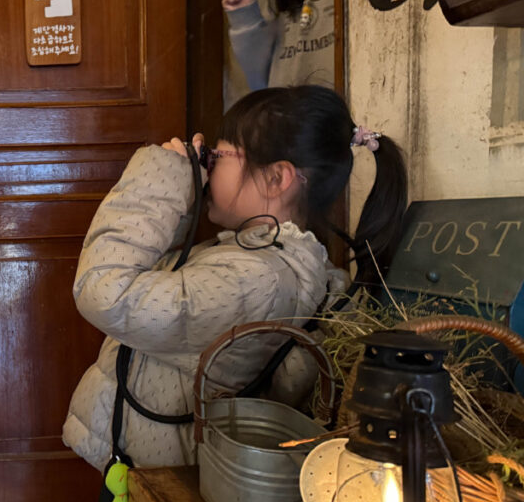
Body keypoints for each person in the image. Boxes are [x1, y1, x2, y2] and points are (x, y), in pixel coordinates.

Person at [62, 85, 408, 469]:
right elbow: (160, 284)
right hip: (146, 465)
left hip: (163, 487)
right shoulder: (255, 259)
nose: (207, 164)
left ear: (276, 179)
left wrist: (159, 178)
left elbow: (107, 291)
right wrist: (179, 198)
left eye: (219, 155)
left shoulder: (258, 279)